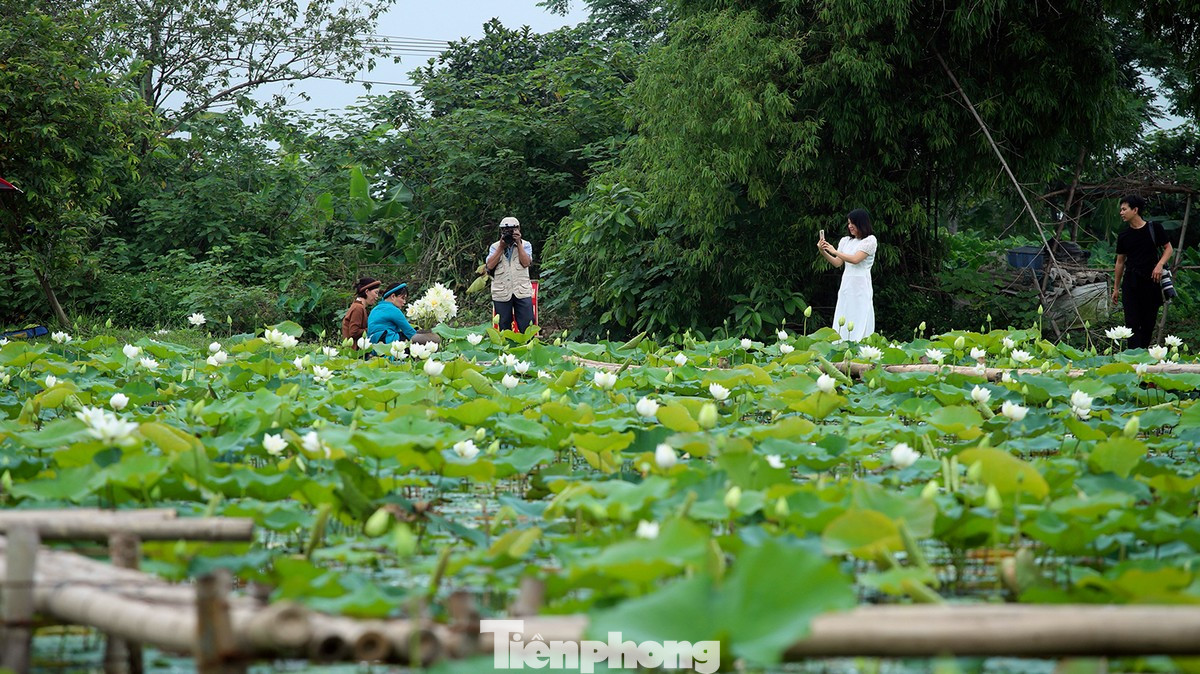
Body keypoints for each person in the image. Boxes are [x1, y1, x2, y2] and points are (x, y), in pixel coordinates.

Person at [1111, 195, 1173, 349]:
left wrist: (1160, 265)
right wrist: (1116, 287)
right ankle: (1133, 357)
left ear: (1135, 210)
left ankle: (1143, 355)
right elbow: (1120, 262)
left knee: (1148, 322)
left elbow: (1169, 248)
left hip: (1151, 282)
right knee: (1131, 322)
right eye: (1121, 210)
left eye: (1124, 209)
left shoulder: (1154, 228)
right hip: (1131, 283)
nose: (1121, 213)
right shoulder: (1124, 236)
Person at [818, 208, 878, 341]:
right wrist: (824, 251)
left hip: (861, 284)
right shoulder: (846, 241)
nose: (850, 226)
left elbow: (855, 259)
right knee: (844, 313)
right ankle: (841, 345)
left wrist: (834, 251)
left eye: (853, 223)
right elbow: (838, 263)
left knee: (861, 314)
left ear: (861, 223)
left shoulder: (870, 241)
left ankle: (859, 344)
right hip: (847, 284)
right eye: (849, 223)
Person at [485, 216, 535, 333]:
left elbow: (526, 263)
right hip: (502, 292)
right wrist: (501, 248)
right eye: (506, 230)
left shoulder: (526, 245)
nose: (510, 233)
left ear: (518, 229)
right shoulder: (495, 247)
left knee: (527, 326)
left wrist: (518, 243)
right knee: (503, 326)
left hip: (521, 291)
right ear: (501, 231)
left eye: (513, 229)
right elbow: (489, 266)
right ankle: (506, 350)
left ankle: (527, 348)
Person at [341, 277, 381, 346]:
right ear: (367, 292)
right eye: (376, 293)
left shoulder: (358, 306)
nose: (377, 296)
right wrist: (372, 329)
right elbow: (354, 332)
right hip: (353, 350)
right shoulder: (358, 308)